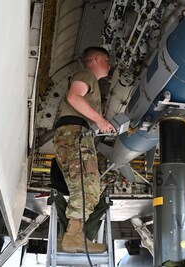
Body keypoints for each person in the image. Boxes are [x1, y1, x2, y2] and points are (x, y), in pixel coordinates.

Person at [53, 46, 116, 253]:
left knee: (84, 187)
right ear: (97, 59)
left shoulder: (90, 80)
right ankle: (73, 238)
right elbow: (74, 97)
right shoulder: (86, 74)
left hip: (75, 134)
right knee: (87, 187)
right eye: (107, 60)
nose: (109, 65)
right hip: (75, 134)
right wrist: (100, 119)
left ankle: (71, 236)